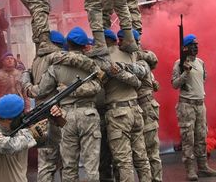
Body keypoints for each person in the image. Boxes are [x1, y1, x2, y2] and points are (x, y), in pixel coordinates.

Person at [29, 26, 104, 181]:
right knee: (91, 167)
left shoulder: (55, 66)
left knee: (69, 167)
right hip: (89, 114)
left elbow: (41, 90)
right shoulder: (91, 65)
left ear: (67, 44)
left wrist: (27, 86)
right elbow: (100, 86)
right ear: (84, 46)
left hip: (65, 117)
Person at [0, 94, 66, 182]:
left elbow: (53, 142)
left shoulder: (21, 134)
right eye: (21, 115)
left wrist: (53, 122)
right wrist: (31, 132)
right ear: (9, 119)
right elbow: (11, 147)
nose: (23, 116)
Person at [105, 30, 152, 182]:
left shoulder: (105, 59)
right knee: (142, 157)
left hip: (118, 112)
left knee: (124, 161)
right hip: (135, 110)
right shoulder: (131, 55)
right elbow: (142, 75)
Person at [172, 34, 216, 180]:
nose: (196, 47)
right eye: (193, 45)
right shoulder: (179, 64)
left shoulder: (200, 62)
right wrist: (185, 73)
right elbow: (174, 84)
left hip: (200, 105)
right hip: (187, 105)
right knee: (188, 139)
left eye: (197, 45)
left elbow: (204, 78)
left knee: (201, 137)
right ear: (185, 48)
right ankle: (190, 170)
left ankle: (203, 167)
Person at [22, 30, 67, 182]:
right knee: (64, 162)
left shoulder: (37, 60)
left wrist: (27, 86)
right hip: (56, 114)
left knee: (46, 163)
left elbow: (29, 78)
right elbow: (43, 88)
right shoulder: (55, 59)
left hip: (41, 118)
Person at [132, 30, 163, 181]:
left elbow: (153, 59)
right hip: (138, 107)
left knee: (150, 149)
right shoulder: (133, 60)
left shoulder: (141, 61)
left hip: (146, 105)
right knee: (141, 150)